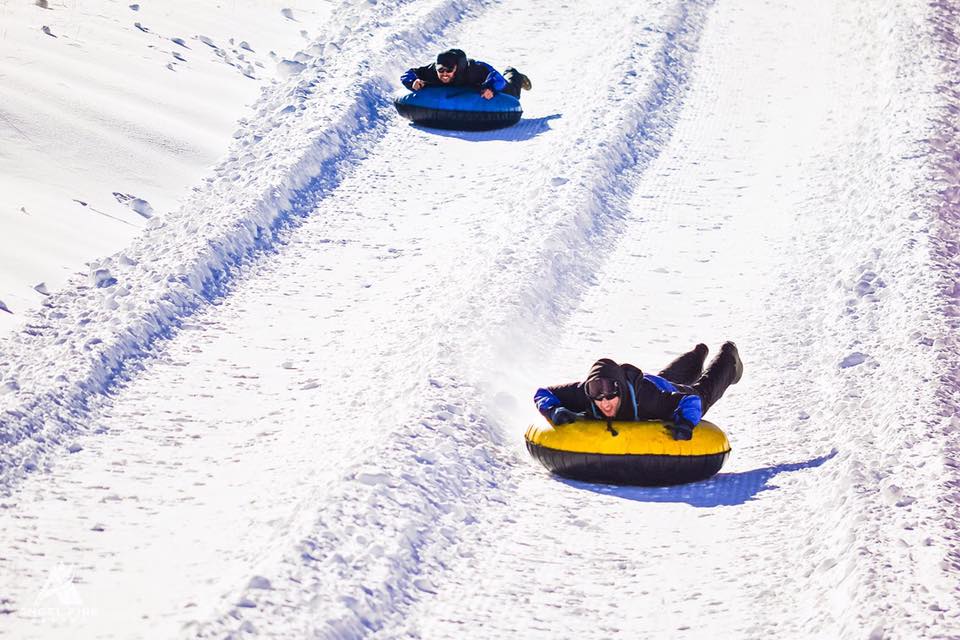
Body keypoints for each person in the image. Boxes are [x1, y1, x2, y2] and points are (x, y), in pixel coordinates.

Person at [533, 342, 743, 440]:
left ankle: (729, 356)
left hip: (657, 389)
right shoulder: (587, 393)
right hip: (648, 381)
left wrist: (687, 422)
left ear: (621, 391)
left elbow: (689, 401)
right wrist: (554, 410)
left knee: (702, 392)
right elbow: (543, 392)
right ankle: (698, 353)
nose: (605, 403)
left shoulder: (649, 400)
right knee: (666, 376)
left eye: (611, 396)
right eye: (598, 397)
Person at [401, 48, 532, 100]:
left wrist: (491, 88)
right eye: (441, 70)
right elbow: (408, 74)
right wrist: (412, 82)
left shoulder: (475, 70)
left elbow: (498, 80)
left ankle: (514, 74)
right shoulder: (431, 70)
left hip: (484, 79)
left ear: (456, 68)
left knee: (513, 94)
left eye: (449, 70)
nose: (444, 74)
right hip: (465, 84)